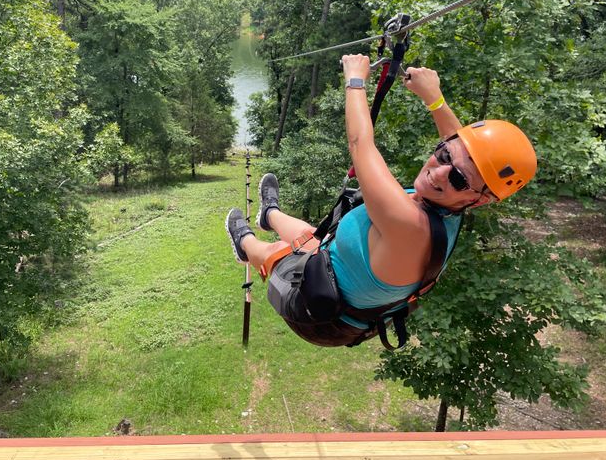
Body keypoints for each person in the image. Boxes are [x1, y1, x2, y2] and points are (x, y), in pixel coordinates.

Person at [226, 54, 537, 348]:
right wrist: (434, 98)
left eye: (458, 179)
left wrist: (355, 80)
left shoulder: (409, 225)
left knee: (280, 254)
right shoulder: (458, 200)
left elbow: (361, 145)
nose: (439, 173)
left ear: (479, 200)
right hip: (336, 271)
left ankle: (247, 245)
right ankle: (270, 214)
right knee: (311, 239)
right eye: (443, 156)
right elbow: (459, 145)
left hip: (316, 313)